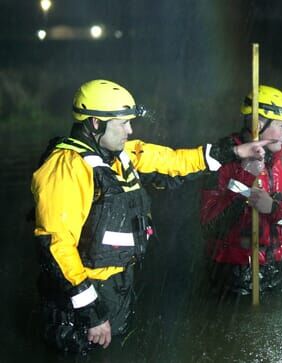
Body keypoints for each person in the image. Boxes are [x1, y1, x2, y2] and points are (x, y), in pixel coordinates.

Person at [31, 79, 269, 354]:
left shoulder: (121, 155)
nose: (130, 130)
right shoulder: (66, 168)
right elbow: (56, 246)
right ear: (95, 123)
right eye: (123, 123)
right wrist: (91, 311)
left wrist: (234, 151)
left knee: (116, 352)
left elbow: (175, 163)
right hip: (78, 300)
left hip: (115, 286)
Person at [200, 85, 282, 296]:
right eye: (281, 125)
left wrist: (276, 209)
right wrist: (245, 177)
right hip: (237, 274)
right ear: (258, 124)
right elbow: (210, 225)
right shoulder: (222, 160)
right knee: (240, 326)